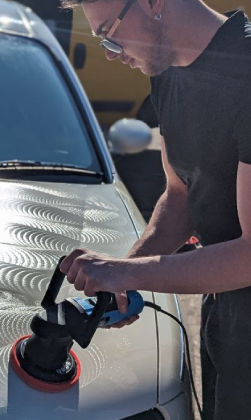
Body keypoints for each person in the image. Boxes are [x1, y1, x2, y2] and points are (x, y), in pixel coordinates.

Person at [57, 0, 251, 419]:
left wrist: (129, 273)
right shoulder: (167, 76)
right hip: (225, 313)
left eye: (109, 33)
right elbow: (180, 197)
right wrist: (120, 277)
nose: (110, 53)